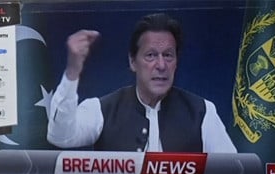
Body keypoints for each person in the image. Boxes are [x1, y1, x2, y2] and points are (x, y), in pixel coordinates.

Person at [47, 12, 237, 153]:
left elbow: (234, 173)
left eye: (168, 55)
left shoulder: (202, 111)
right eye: (151, 55)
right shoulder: (102, 109)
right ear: (132, 61)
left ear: (176, 62)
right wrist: (73, 71)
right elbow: (60, 136)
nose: (161, 65)